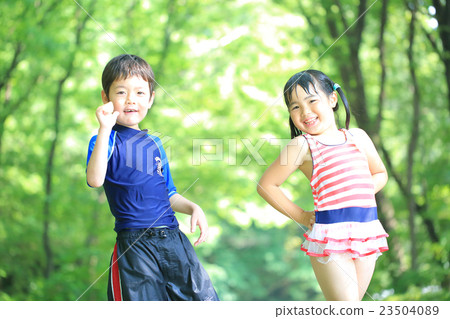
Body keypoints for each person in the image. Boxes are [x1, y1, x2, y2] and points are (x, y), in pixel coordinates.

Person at [86, 54, 219, 301]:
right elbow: (95, 179)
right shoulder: (106, 140)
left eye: (139, 93)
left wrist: (192, 207)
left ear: (151, 99)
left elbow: (168, 193)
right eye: (121, 92)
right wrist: (104, 128)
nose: (130, 100)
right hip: (135, 247)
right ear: (106, 98)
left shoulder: (155, 144)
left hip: (172, 238)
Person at [257, 70, 389, 301]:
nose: (305, 111)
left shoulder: (358, 137)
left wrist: (357, 192)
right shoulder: (302, 145)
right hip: (330, 234)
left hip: (365, 229)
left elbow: (379, 173)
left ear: (332, 99)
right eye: (295, 106)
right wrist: (301, 215)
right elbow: (267, 185)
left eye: (312, 101)